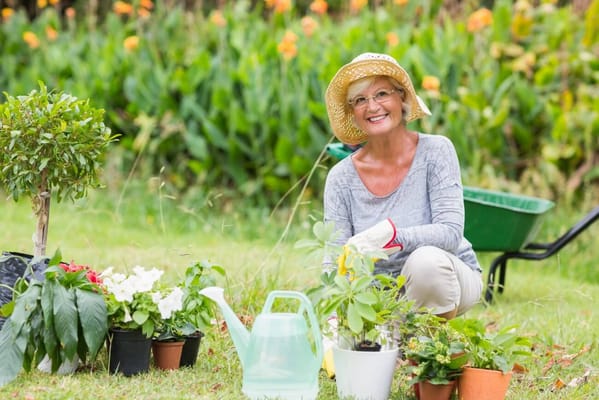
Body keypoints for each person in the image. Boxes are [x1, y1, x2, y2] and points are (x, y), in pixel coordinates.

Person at [323, 52, 483, 320]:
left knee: (426, 263)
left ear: (402, 99)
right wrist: (330, 317)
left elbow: (450, 233)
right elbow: (334, 258)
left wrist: (391, 238)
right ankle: (398, 337)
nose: (372, 107)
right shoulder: (341, 178)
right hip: (375, 296)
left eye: (382, 94)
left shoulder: (436, 151)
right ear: (353, 113)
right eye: (360, 100)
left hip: (446, 277)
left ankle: (432, 346)